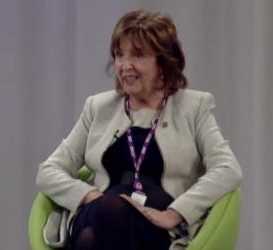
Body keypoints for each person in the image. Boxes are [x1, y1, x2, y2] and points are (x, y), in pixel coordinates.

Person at [36, 9, 242, 250]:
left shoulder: (193, 107)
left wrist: (176, 212)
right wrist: (91, 196)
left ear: (163, 61)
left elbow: (228, 169)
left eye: (138, 55)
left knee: (89, 241)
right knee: (109, 210)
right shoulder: (98, 108)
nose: (124, 65)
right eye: (119, 54)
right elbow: (48, 171)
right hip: (97, 212)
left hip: (155, 227)